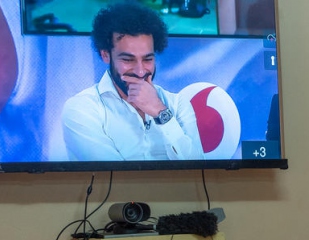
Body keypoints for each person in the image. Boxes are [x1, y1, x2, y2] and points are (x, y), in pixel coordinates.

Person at [61, 2, 203, 161]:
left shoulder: (177, 104)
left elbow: (199, 168)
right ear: (106, 55)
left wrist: (160, 112)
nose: (140, 71)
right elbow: (112, 177)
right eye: (128, 60)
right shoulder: (82, 108)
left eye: (148, 59)